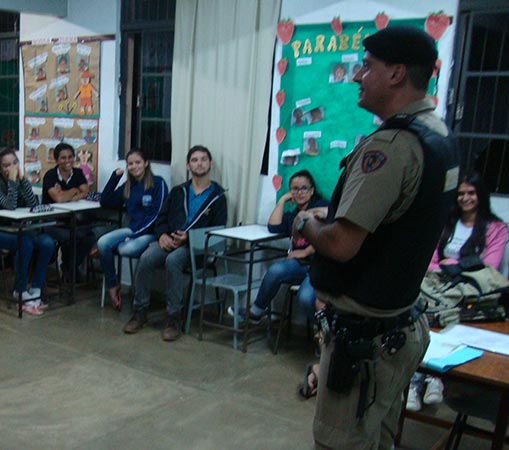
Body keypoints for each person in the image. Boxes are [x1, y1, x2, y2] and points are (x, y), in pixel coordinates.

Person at [295, 26, 459, 449]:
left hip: (365, 340)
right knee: (380, 438)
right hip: (401, 324)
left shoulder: (391, 148)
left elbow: (341, 244)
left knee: (342, 442)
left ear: (397, 74)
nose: (356, 76)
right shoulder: (439, 136)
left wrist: (305, 224)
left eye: (367, 67)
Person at [406, 172, 508, 412]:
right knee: (419, 311)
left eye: (471, 193)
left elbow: (488, 266)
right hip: (436, 283)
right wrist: (452, 267)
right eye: (460, 193)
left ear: (481, 195)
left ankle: (435, 379)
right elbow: (429, 260)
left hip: (470, 287)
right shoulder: (445, 222)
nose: (465, 198)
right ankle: (415, 380)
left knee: (450, 316)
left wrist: (448, 266)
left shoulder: (496, 228)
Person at [123, 145, 226, 341]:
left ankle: (173, 318)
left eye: (203, 159)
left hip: (196, 249)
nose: (199, 163)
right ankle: (140, 312)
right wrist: (162, 235)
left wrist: (190, 238)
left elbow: (218, 231)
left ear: (210, 164)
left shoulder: (218, 196)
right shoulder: (179, 191)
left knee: (173, 260)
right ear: (188, 165)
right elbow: (161, 217)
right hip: (170, 241)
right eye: (194, 160)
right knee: (146, 257)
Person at [230, 170, 328, 324]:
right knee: (275, 270)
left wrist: (305, 251)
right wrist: (282, 200)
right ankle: (256, 312)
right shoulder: (293, 214)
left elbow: (327, 237)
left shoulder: (321, 206)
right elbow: (273, 226)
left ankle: (323, 334)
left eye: (304, 188)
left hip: (319, 266)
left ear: (312, 190)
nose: (300, 193)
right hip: (301, 266)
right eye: (295, 189)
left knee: (305, 297)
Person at [0, 147, 55, 316]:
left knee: (47, 242)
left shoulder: (19, 180)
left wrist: (24, 182)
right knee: (25, 242)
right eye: (7, 165)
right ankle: (19, 290)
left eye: (15, 163)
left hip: (16, 229)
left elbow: (32, 203)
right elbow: (10, 206)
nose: (12, 168)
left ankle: (35, 290)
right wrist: (13, 182)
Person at [97, 148, 167, 311]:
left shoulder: (158, 183)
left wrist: (136, 235)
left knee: (125, 248)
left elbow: (157, 215)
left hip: (150, 233)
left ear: (146, 163)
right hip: (132, 230)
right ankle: (113, 285)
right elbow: (105, 201)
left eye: (137, 162)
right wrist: (116, 176)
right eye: (130, 164)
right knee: (102, 243)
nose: (134, 166)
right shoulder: (129, 186)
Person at [41, 142, 95, 280]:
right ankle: (69, 270)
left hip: (72, 219)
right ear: (57, 160)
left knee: (89, 236)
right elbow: (58, 199)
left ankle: (68, 268)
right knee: (71, 236)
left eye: (70, 157)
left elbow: (86, 191)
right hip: (52, 221)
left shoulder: (78, 173)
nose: (67, 161)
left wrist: (67, 195)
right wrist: (74, 190)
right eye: (63, 158)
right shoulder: (50, 175)